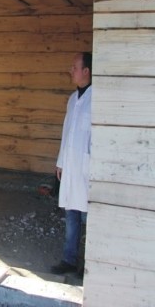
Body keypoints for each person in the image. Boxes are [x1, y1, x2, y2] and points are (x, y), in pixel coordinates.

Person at [50, 52, 92, 276]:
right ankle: (69, 259)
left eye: (74, 67)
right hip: (71, 166)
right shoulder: (72, 99)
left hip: (87, 168)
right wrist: (60, 162)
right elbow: (67, 133)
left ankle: (89, 264)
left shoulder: (96, 98)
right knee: (72, 216)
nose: (71, 71)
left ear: (86, 71)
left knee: (90, 218)